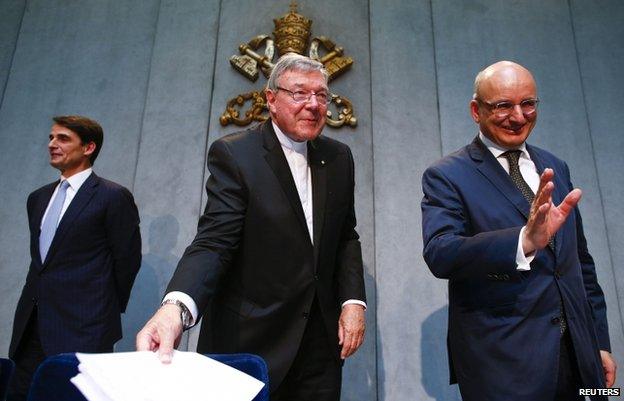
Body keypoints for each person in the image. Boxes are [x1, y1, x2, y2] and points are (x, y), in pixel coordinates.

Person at [137, 54, 366, 401]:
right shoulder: (235, 154)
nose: (314, 105)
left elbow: (346, 236)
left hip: (319, 345)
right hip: (249, 341)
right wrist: (176, 308)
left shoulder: (338, 157)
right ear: (271, 100)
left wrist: (353, 301)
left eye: (322, 95)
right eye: (300, 93)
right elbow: (215, 241)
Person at [421, 61, 617, 401]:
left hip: (579, 359)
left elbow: (579, 264)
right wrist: (523, 241)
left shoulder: (556, 165)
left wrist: (598, 342)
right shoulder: (448, 175)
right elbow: (441, 253)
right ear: (475, 111)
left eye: (528, 104)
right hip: (504, 365)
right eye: (502, 106)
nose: (518, 116)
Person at [8, 115, 142, 400]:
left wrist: (98, 311)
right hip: (31, 326)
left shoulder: (112, 196)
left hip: (84, 329)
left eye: (63, 138)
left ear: (89, 147)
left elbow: (127, 261)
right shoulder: (37, 198)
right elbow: (42, 265)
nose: (52, 144)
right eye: (51, 138)